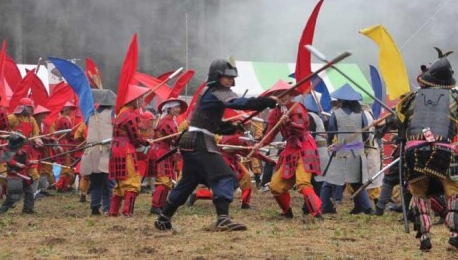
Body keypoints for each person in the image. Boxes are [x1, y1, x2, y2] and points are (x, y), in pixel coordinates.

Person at [154, 59, 277, 232]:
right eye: (226, 77)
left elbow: (214, 125)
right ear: (217, 76)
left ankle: (163, 219)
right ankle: (223, 219)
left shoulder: (209, 92)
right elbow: (236, 103)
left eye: (231, 78)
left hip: (193, 139)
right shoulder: (217, 92)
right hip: (200, 141)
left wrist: (231, 127)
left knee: (188, 182)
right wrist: (264, 101)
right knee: (226, 177)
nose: (230, 81)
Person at [398, 49, 458, 252]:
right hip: (444, 149)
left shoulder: (412, 98)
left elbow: (401, 119)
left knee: (418, 193)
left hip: (415, 149)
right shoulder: (456, 98)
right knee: (453, 192)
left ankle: (424, 237)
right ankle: (455, 235)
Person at [261, 81, 323, 220]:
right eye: (278, 94)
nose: (281, 97)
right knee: (275, 186)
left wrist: (288, 122)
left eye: (284, 93)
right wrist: (260, 144)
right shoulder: (275, 113)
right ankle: (287, 212)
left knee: (303, 183)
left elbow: (302, 127)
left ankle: (316, 213)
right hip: (290, 150)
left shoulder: (297, 107)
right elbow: (270, 133)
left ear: (290, 94)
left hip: (305, 147)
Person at [321, 84, 372, 215]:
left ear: (341, 100)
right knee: (357, 182)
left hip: (341, 151)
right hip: (358, 151)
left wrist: (329, 144)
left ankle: (325, 206)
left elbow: (331, 132)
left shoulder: (336, 114)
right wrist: (365, 147)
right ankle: (366, 207)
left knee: (329, 181)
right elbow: (366, 133)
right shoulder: (361, 114)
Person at [109, 84, 150, 217]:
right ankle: (127, 212)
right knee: (132, 181)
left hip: (116, 147)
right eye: (141, 98)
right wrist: (145, 142)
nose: (142, 101)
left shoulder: (121, 112)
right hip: (125, 149)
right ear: (134, 99)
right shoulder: (130, 115)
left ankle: (113, 211)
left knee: (121, 182)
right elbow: (135, 137)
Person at [79, 89, 115, 216]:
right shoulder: (112, 114)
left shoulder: (90, 114)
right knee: (109, 182)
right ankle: (107, 207)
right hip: (105, 150)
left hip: (91, 151)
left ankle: (95, 206)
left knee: (96, 182)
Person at [148, 98, 186, 214]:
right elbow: (175, 139)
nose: (178, 110)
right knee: (163, 181)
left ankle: (161, 204)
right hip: (161, 151)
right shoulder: (166, 122)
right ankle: (155, 206)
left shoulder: (170, 121)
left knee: (167, 182)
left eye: (179, 108)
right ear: (169, 109)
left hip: (165, 151)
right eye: (176, 107)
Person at [7, 98, 43, 206]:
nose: (30, 109)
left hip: (26, 150)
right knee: (10, 175)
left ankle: (30, 198)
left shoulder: (32, 120)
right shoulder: (12, 118)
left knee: (34, 175)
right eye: (28, 107)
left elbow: (36, 134)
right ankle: (8, 200)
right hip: (11, 149)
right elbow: (3, 131)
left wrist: (37, 140)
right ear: (22, 107)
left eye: (31, 107)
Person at [0, 133, 36, 214]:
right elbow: (7, 160)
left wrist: (30, 162)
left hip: (23, 175)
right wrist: (17, 164)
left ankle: (28, 209)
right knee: (13, 195)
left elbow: (25, 162)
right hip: (14, 176)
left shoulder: (23, 152)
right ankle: (2, 210)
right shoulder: (7, 152)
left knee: (29, 192)